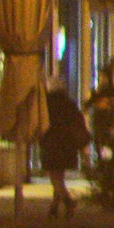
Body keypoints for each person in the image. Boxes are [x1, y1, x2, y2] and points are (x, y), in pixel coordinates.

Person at [38, 85, 90, 220]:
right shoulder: (70, 106)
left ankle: (68, 201)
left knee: (55, 178)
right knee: (58, 176)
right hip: (67, 146)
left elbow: (43, 125)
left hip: (52, 145)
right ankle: (54, 206)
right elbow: (79, 123)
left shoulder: (48, 107)